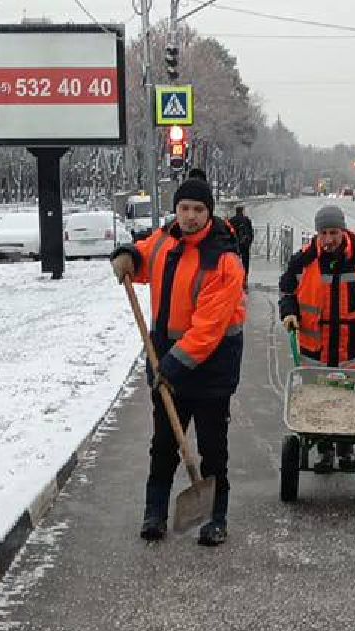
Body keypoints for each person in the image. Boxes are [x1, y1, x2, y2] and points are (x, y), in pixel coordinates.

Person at [111, 172, 247, 547]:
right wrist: (127, 257)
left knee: (212, 447)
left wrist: (167, 368)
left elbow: (208, 329)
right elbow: (142, 257)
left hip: (211, 367)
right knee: (164, 444)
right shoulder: (166, 241)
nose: (189, 216)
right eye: (183, 208)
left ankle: (215, 518)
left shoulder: (224, 261)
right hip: (167, 361)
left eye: (197, 210)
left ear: (209, 213)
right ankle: (153, 513)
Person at [278, 204, 355, 474]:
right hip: (316, 347)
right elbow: (287, 291)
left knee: (351, 398)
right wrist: (289, 314)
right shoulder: (304, 260)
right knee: (321, 397)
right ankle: (324, 451)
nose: (329, 239)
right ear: (317, 234)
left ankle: (346, 449)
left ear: (343, 231)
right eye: (324, 233)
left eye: (334, 232)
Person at [228, 204, 256, 290]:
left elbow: (227, 233)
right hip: (245, 245)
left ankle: (235, 279)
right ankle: (244, 280)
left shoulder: (231, 220)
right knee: (245, 262)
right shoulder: (246, 220)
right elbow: (251, 233)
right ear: (242, 210)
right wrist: (249, 243)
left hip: (234, 246)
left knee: (234, 263)